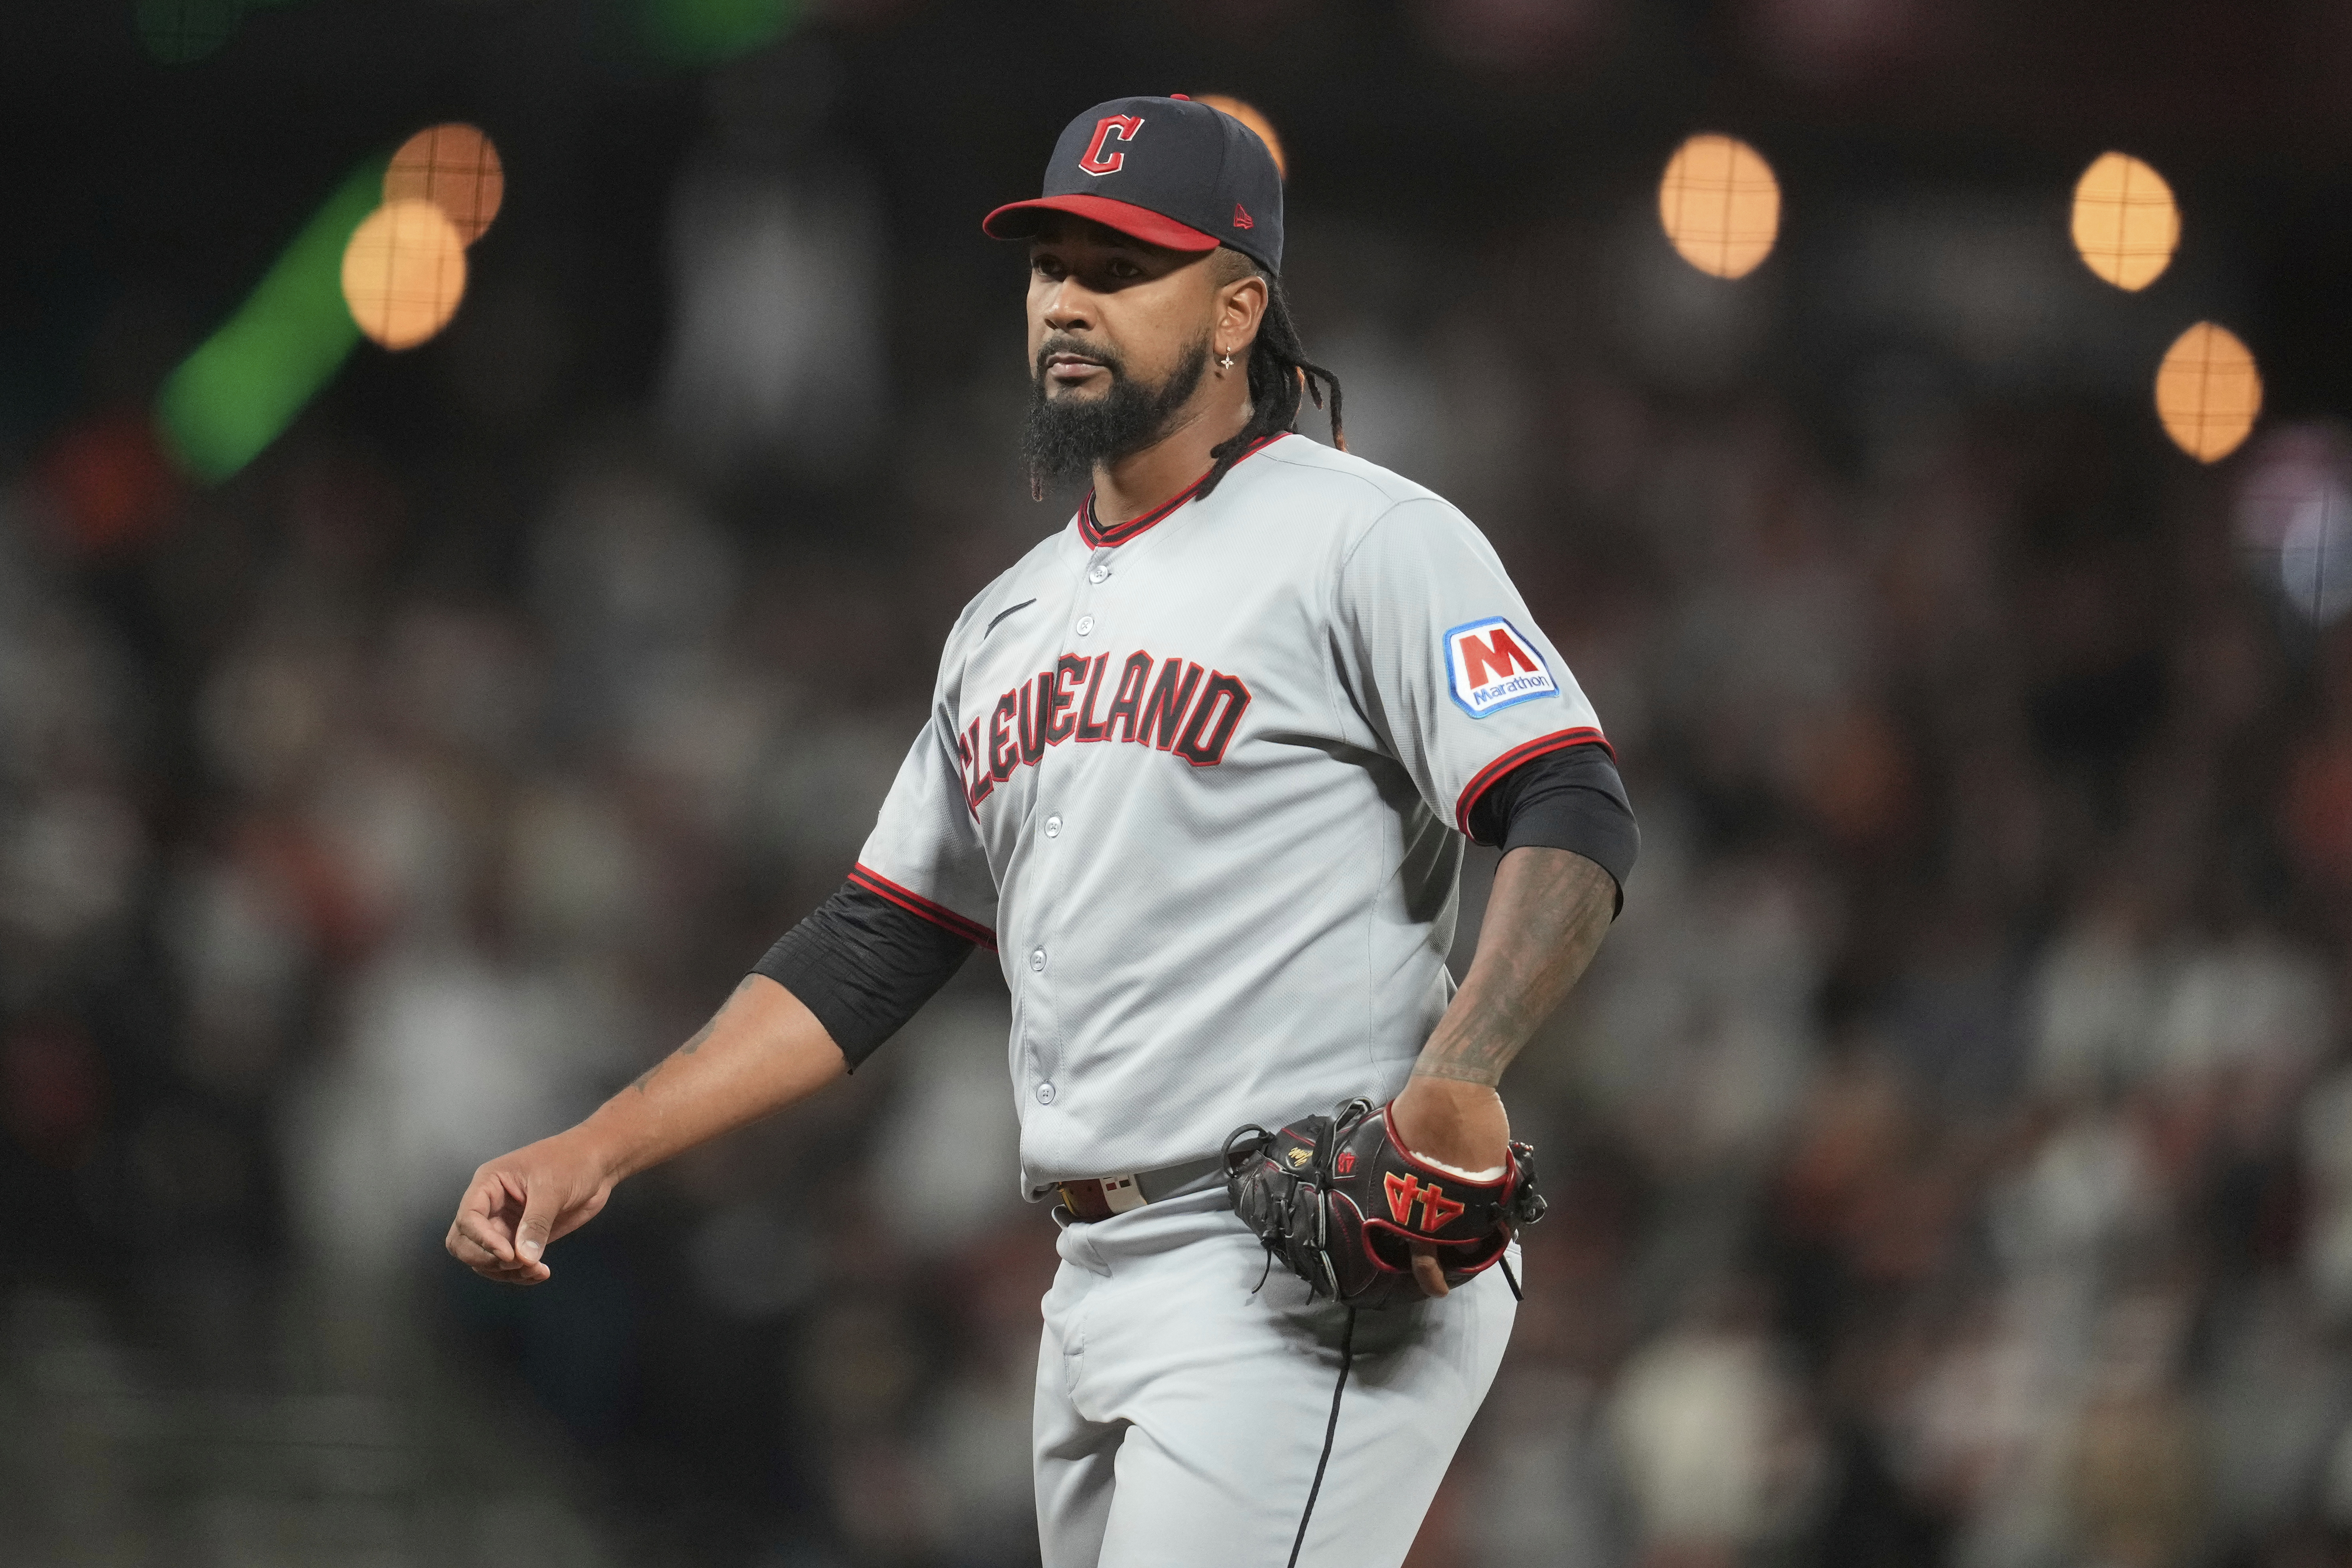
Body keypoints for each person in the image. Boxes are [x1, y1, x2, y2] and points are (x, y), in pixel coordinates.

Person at [446, 94, 1636, 1567]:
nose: (1068, 300)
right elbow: (877, 941)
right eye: (1051, 263)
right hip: (1090, 1274)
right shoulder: (1000, 624)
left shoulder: (1367, 537)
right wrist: (600, 1146)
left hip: (1307, 1254)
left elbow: (1571, 802)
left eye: (1122, 267)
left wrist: (1460, 1072)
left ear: (1234, 308)